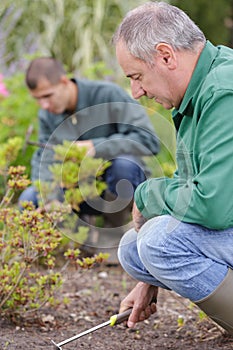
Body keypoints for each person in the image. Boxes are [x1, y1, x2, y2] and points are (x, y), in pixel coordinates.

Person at [113, 1, 233, 334]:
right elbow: (190, 184)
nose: (136, 92)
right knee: (134, 250)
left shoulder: (225, 92)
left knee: (156, 241)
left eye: (137, 77)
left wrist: (146, 194)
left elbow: (212, 205)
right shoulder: (197, 92)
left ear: (166, 56)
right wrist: (149, 277)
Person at [19, 57, 159, 250]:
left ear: (64, 82)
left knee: (124, 166)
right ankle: (79, 238)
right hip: (77, 191)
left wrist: (97, 147)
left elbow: (149, 140)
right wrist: (50, 197)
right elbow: (44, 157)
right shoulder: (47, 115)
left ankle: (115, 235)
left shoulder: (107, 94)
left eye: (47, 96)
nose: (44, 105)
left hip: (119, 185)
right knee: (30, 198)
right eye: (38, 99)